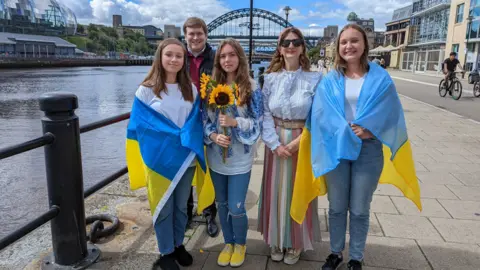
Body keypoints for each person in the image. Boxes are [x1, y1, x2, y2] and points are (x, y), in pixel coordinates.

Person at [292, 24, 421, 270]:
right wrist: (340, 130)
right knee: (337, 206)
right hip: (338, 149)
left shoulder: (380, 77)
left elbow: (391, 113)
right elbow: (319, 114)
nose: (349, 46)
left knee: (360, 208)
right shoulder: (330, 80)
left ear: (364, 45)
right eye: (344, 42)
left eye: (354, 41)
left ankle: (356, 257)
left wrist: (371, 129)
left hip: (368, 149)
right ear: (339, 47)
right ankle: (335, 253)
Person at [127, 38, 208, 270]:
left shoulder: (190, 89)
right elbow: (139, 126)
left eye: (179, 56)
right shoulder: (145, 90)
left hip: (184, 157)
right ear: (160, 58)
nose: (174, 60)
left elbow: (194, 123)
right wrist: (172, 135)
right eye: (169, 55)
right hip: (159, 159)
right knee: (163, 206)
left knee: (182, 205)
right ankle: (165, 251)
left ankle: (178, 244)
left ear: (184, 60)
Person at [258, 27, 322, 265]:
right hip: (275, 140)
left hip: (302, 141)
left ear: (303, 47)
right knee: (275, 191)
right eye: (286, 42)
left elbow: (317, 117)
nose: (291, 46)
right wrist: (274, 144)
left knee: (298, 189)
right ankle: (276, 238)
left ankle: (295, 241)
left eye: (296, 42)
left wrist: (297, 142)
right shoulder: (271, 79)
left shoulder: (315, 78)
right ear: (280, 47)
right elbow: (264, 112)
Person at [203, 38, 262, 267]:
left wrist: (235, 122)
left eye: (232, 55)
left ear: (240, 58)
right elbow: (205, 121)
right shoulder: (210, 87)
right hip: (217, 156)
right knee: (222, 204)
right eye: (223, 56)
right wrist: (213, 136)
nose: (227, 60)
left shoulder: (251, 86)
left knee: (237, 206)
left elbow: (257, 122)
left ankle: (241, 244)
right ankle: (228, 242)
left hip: (240, 158)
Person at [183, 17, 219, 237]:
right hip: (184, 122)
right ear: (185, 35)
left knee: (208, 169)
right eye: (191, 33)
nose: (195, 37)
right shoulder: (178, 57)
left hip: (210, 121)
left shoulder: (215, 58)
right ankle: (186, 212)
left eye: (199, 33)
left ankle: (209, 212)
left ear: (206, 35)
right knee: (185, 169)